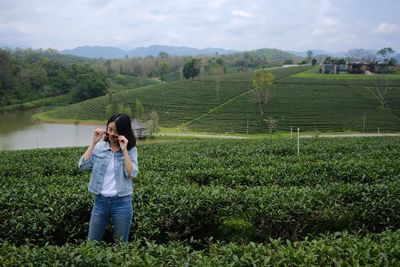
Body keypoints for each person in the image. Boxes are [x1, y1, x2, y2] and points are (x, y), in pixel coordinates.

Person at [78, 113, 139, 243]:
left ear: (124, 132)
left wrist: (124, 150)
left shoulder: (131, 149)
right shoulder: (100, 147)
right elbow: (83, 166)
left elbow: (132, 174)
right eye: (109, 129)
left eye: (116, 131)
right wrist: (93, 142)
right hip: (100, 202)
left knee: (121, 245)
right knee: (92, 244)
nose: (111, 134)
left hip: (122, 203)